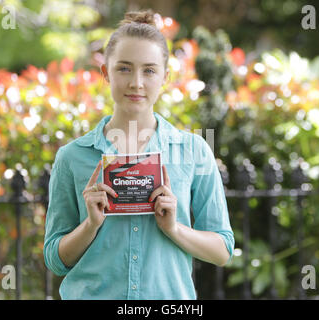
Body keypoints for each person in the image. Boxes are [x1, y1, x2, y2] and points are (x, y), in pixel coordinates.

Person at [43, 9, 235, 300]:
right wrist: (90, 225)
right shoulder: (73, 157)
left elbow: (222, 250)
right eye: (124, 68)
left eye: (149, 70)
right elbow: (54, 259)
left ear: (165, 77)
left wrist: (174, 228)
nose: (136, 82)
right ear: (105, 73)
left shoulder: (194, 151)